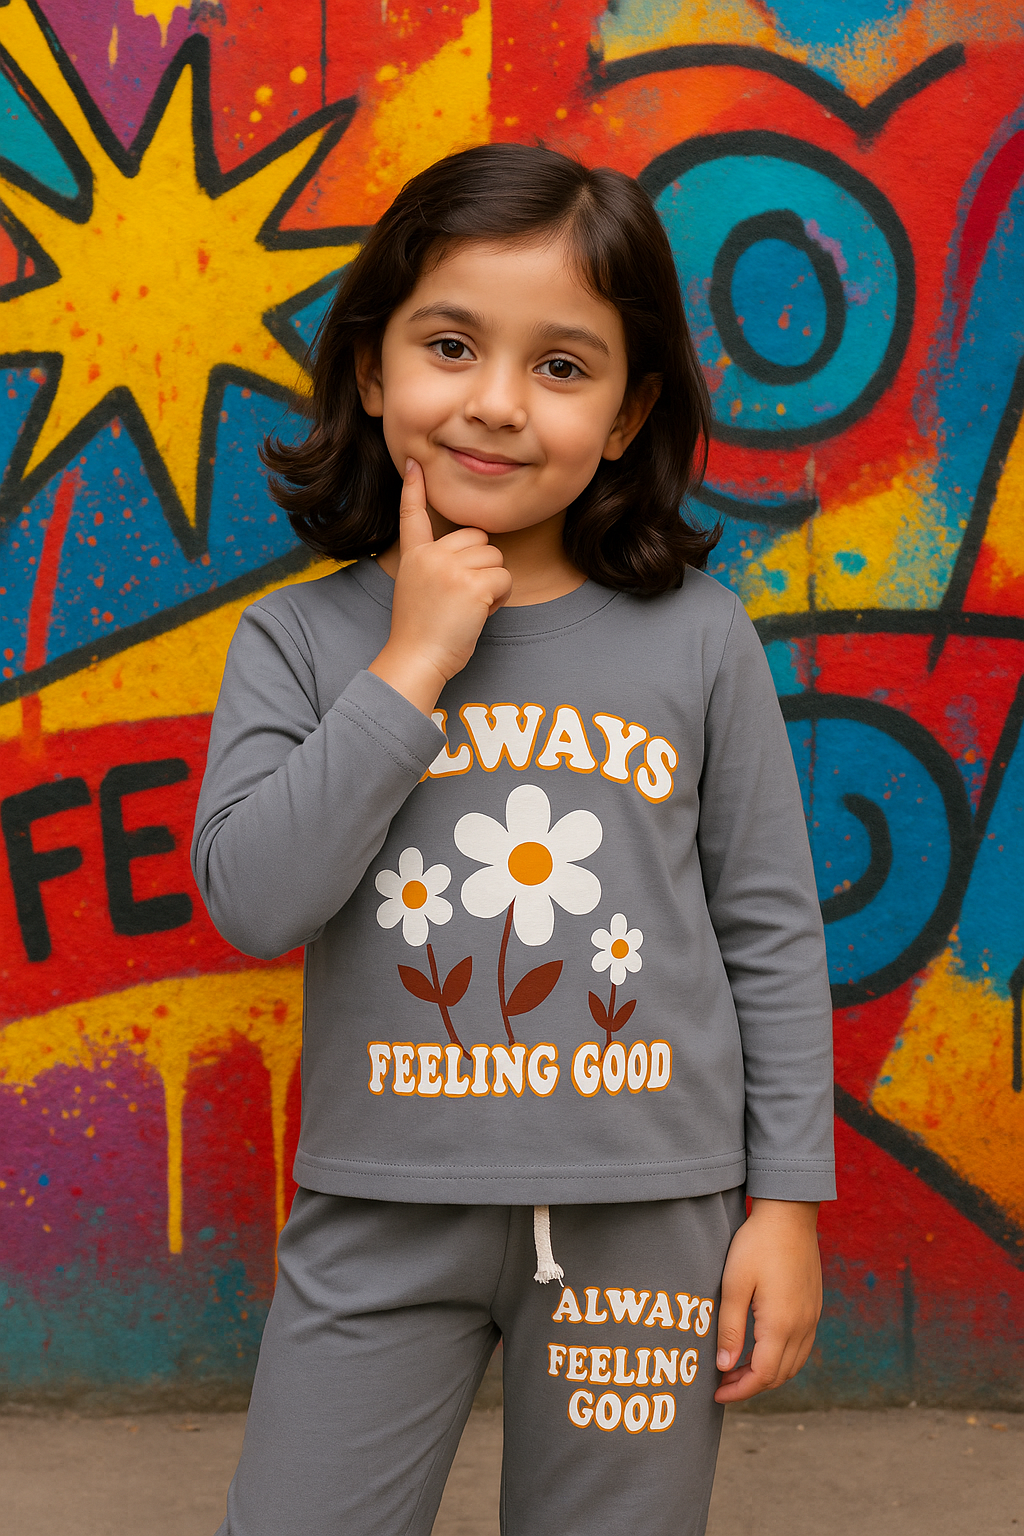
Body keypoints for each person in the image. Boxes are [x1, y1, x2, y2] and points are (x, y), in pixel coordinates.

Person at [191, 142, 834, 1536]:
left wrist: (785, 1206)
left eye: (560, 365)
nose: (493, 403)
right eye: (450, 344)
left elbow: (769, 929)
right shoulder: (301, 643)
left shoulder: (699, 639)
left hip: (646, 1221)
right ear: (372, 370)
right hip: (381, 1209)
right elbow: (253, 900)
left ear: (625, 412)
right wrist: (409, 664)